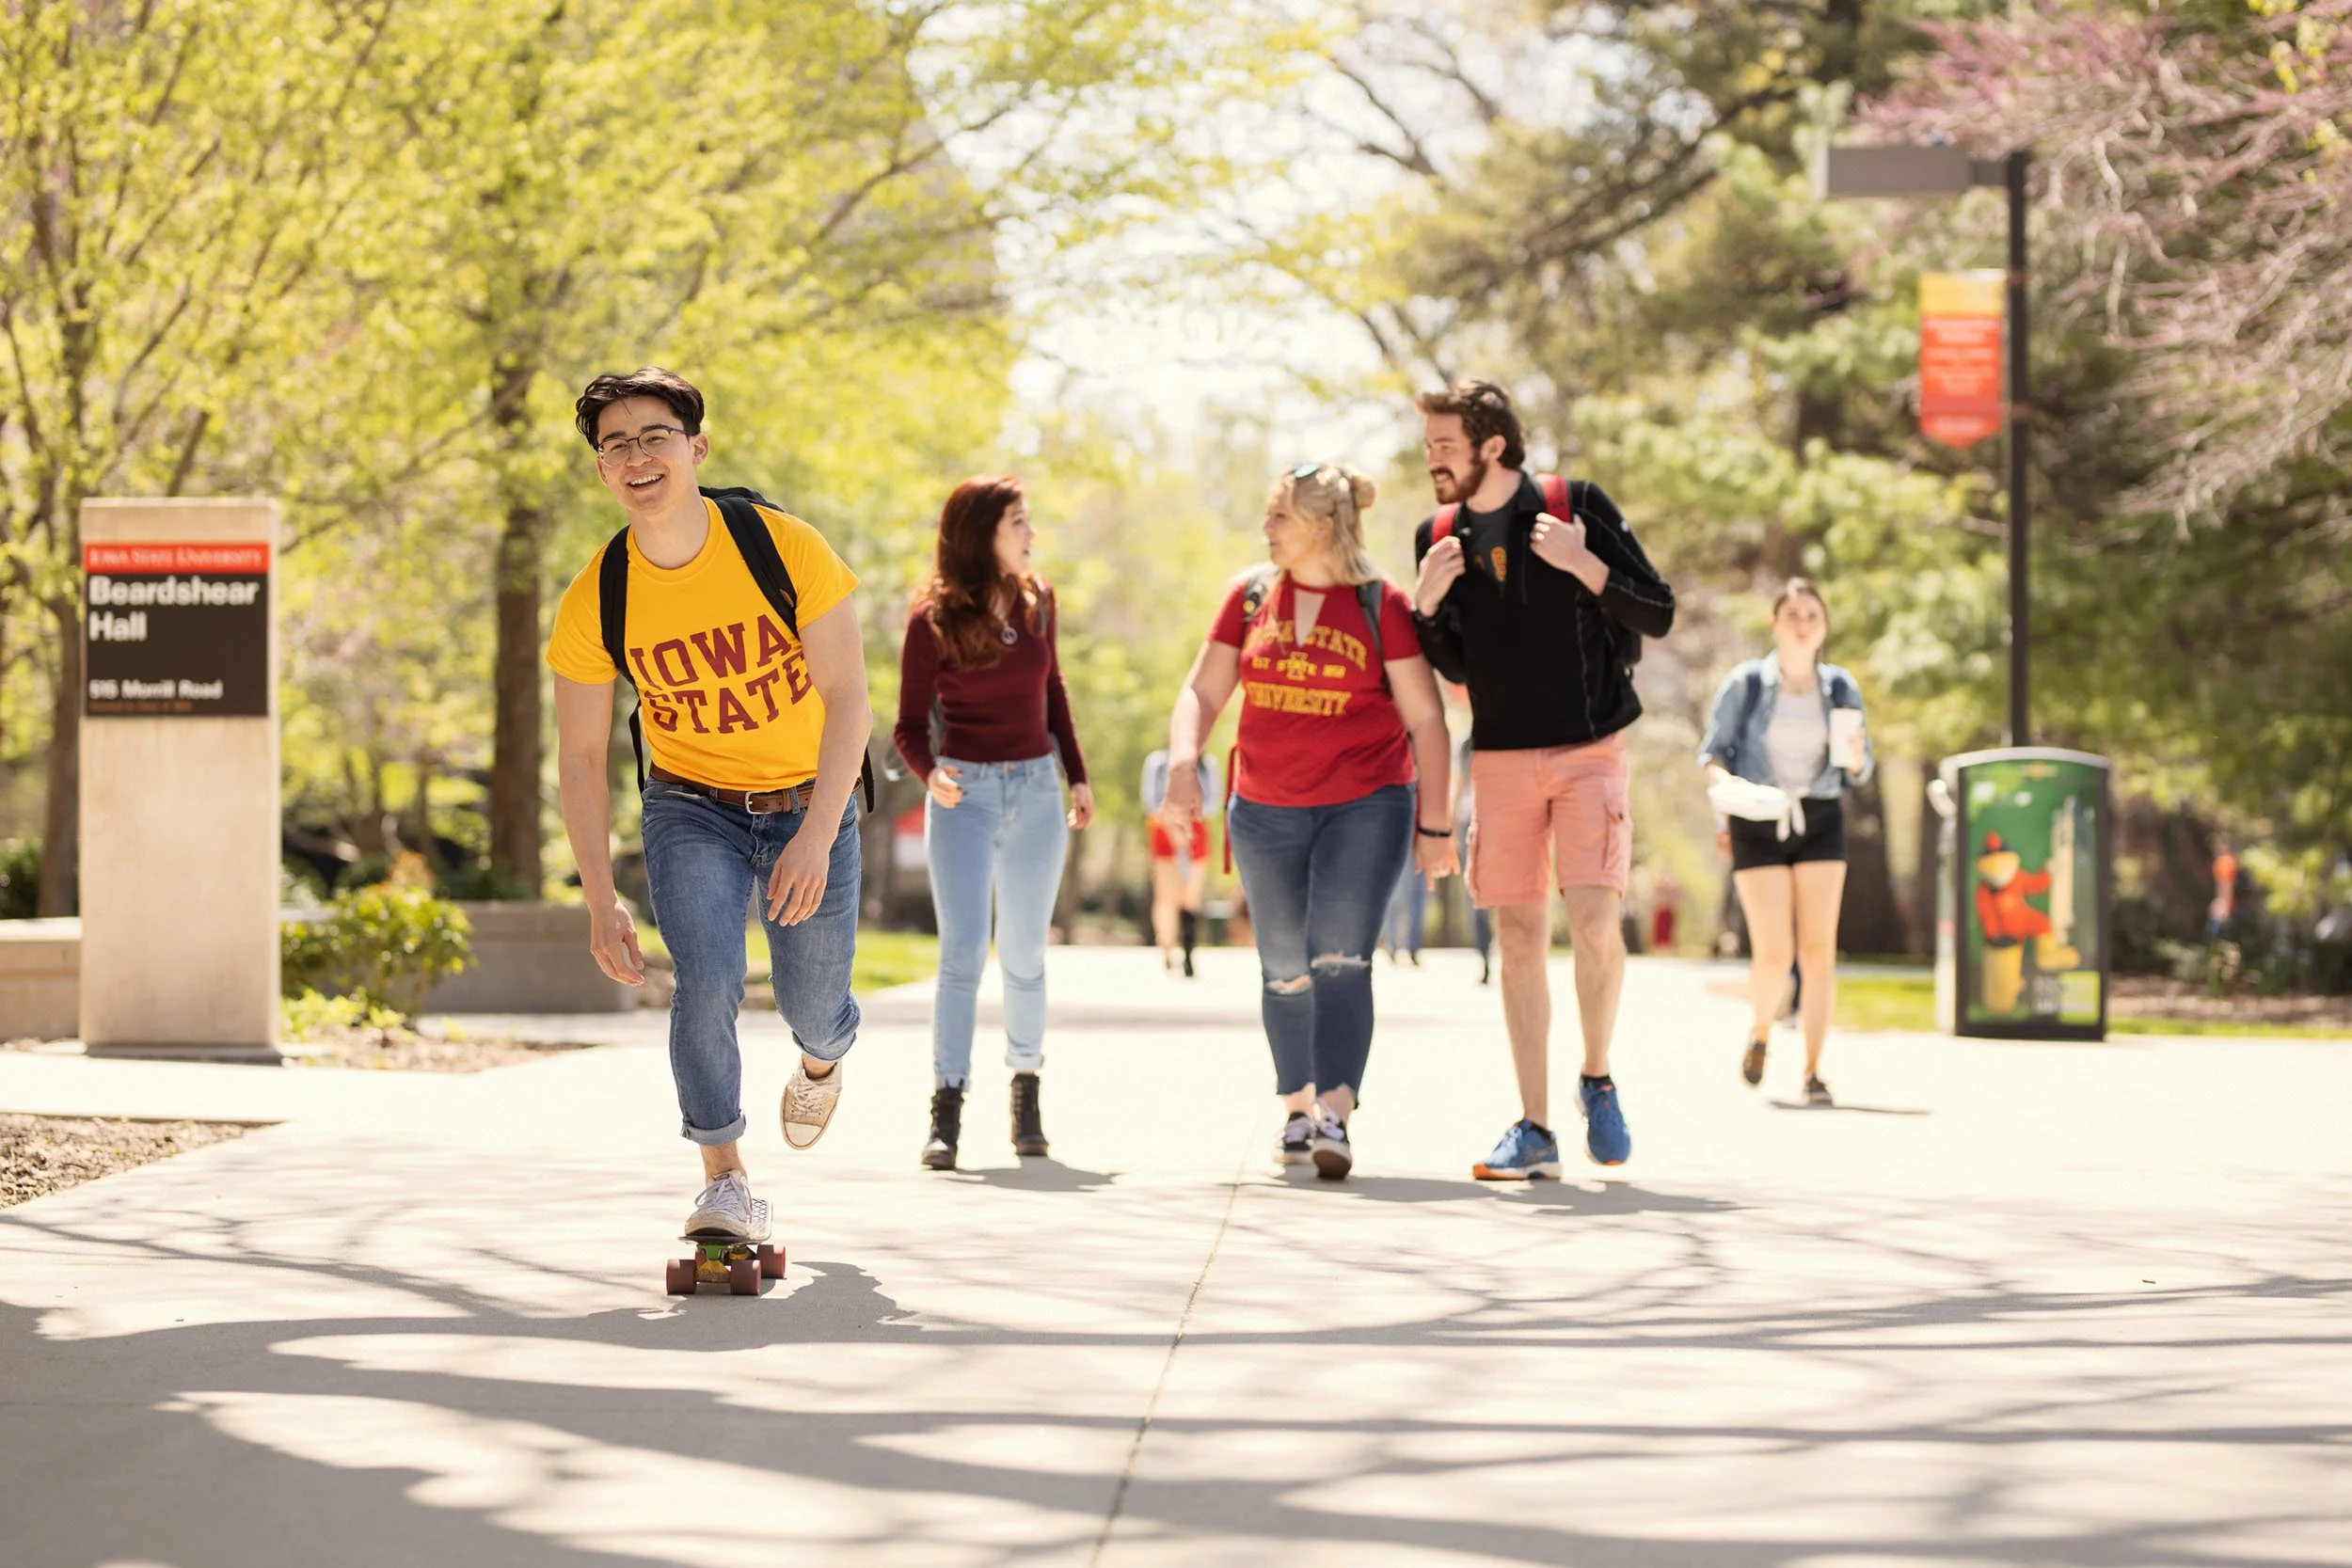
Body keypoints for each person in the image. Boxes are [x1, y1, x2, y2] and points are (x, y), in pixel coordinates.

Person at [548, 367, 866, 1244]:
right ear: (602, 470)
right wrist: (598, 894)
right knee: (707, 980)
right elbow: (580, 755)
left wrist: (812, 835)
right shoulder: (596, 598)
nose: (636, 456)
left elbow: (850, 700)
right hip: (692, 805)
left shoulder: (783, 545)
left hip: (811, 798)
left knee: (813, 1003)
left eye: (654, 436)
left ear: (697, 447)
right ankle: (724, 1179)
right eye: (616, 445)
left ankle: (823, 1055)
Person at [1409, 379, 1677, 1179]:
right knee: (1517, 937)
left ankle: (1596, 1076)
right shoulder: (1436, 533)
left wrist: (1585, 564)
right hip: (1497, 757)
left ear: (1493, 446)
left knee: (1596, 924)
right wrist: (1426, 607)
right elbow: (1457, 662)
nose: (1432, 462)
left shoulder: (1575, 505)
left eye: (1444, 446)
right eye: (1428, 448)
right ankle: (1534, 1130)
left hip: (1591, 749)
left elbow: (1657, 611)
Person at [1162, 463, 1457, 1180]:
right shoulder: (1250, 595)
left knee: (1340, 957)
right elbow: (1202, 690)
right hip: (1264, 810)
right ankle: (1295, 1108)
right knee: (1285, 966)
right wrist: (1181, 760)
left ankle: (1335, 1112)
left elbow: (1426, 717)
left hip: (1367, 804)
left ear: (1321, 527)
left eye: (1278, 518)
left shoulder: (1379, 604)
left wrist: (1438, 826)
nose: (1266, 530)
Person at [895, 476, 1093, 1171]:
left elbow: (1055, 691)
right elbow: (907, 727)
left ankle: (1026, 1095)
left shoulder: (1039, 601)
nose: (1031, 535)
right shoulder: (932, 621)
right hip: (964, 797)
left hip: (1038, 789)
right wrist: (932, 774)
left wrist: (1078, 773)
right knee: (962, 955)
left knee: (1026, 954)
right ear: (982, 533)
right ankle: (945, 1112)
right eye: (1019, 523)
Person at [1698, 578, 1872, 1106]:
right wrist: (1726, 792)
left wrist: (1860, 759)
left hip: (1819, 816)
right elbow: (1712, 755)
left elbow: (1857, 769)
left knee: (1819, 950)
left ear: (1824, 627)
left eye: (1811, 615)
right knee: (1774, 953)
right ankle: (1761, 1032)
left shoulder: (1840, 688)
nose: (1802, 623)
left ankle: (1814, 1070)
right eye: (1792, 614)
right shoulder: (1746, 683)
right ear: (1774, 623)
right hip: (1758, 818)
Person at [1141, 751, 1217, 976]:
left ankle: (1188, 952)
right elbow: (1150, 800)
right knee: (1166, 896)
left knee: (1191, 895)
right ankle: (1166, 946)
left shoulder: (1207, 765)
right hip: (1164, 830)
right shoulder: (1157, 762)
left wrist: (1189, 821)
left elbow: (1212, 801)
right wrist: (1172, 827)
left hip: (1196, 830)